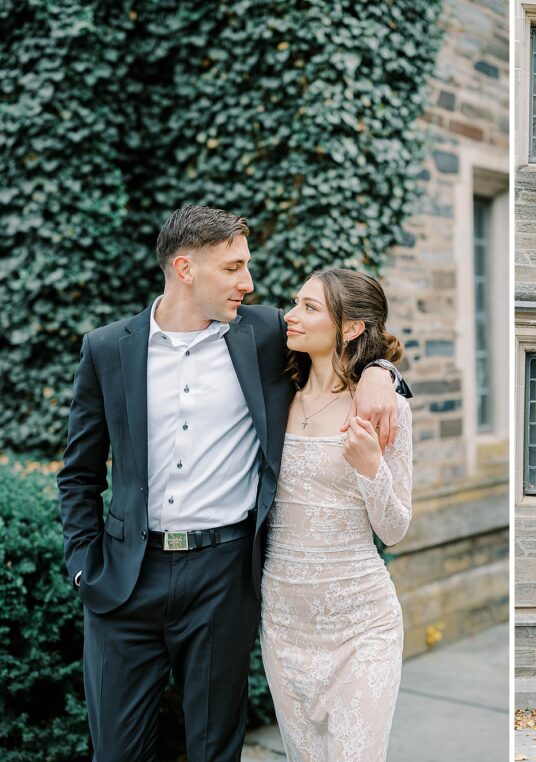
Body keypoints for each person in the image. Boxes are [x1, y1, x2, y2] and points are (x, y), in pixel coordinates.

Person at [57, 205, 408, 761]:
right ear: (184, 268)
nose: (249, 282)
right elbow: (78, 473)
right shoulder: (107, 349)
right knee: (116, 754)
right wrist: (83, 563)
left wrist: (379, 375)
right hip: (125, 578)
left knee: (214, 750)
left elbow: (348, 343)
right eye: (233, 268)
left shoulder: (265, 333)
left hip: (223, 577)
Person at [260, 269, 412, 762]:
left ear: (349, 328)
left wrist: (372, 470)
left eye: (309, 307)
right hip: (283, 621)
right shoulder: (274, 395)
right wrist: (382, 368)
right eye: (295, 302)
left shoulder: (382, 411)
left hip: (360, 623)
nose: (290, 315)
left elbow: (395, 528)